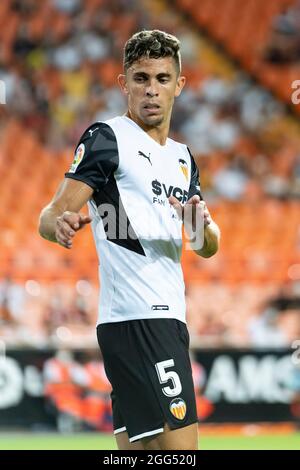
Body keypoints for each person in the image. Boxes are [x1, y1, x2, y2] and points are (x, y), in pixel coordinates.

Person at [39, 29, 220, 450]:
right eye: (141, 78)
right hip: (139, 317)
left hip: (166, 317)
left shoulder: (182, 157)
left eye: (161, 78)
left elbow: (207, 245)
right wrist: (59, 226)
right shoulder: (108, 138)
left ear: (180, 84)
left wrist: (199, 226)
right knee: (180, 453)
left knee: (140, 453)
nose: (151, 90)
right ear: (124, 84)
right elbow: (50, 215)